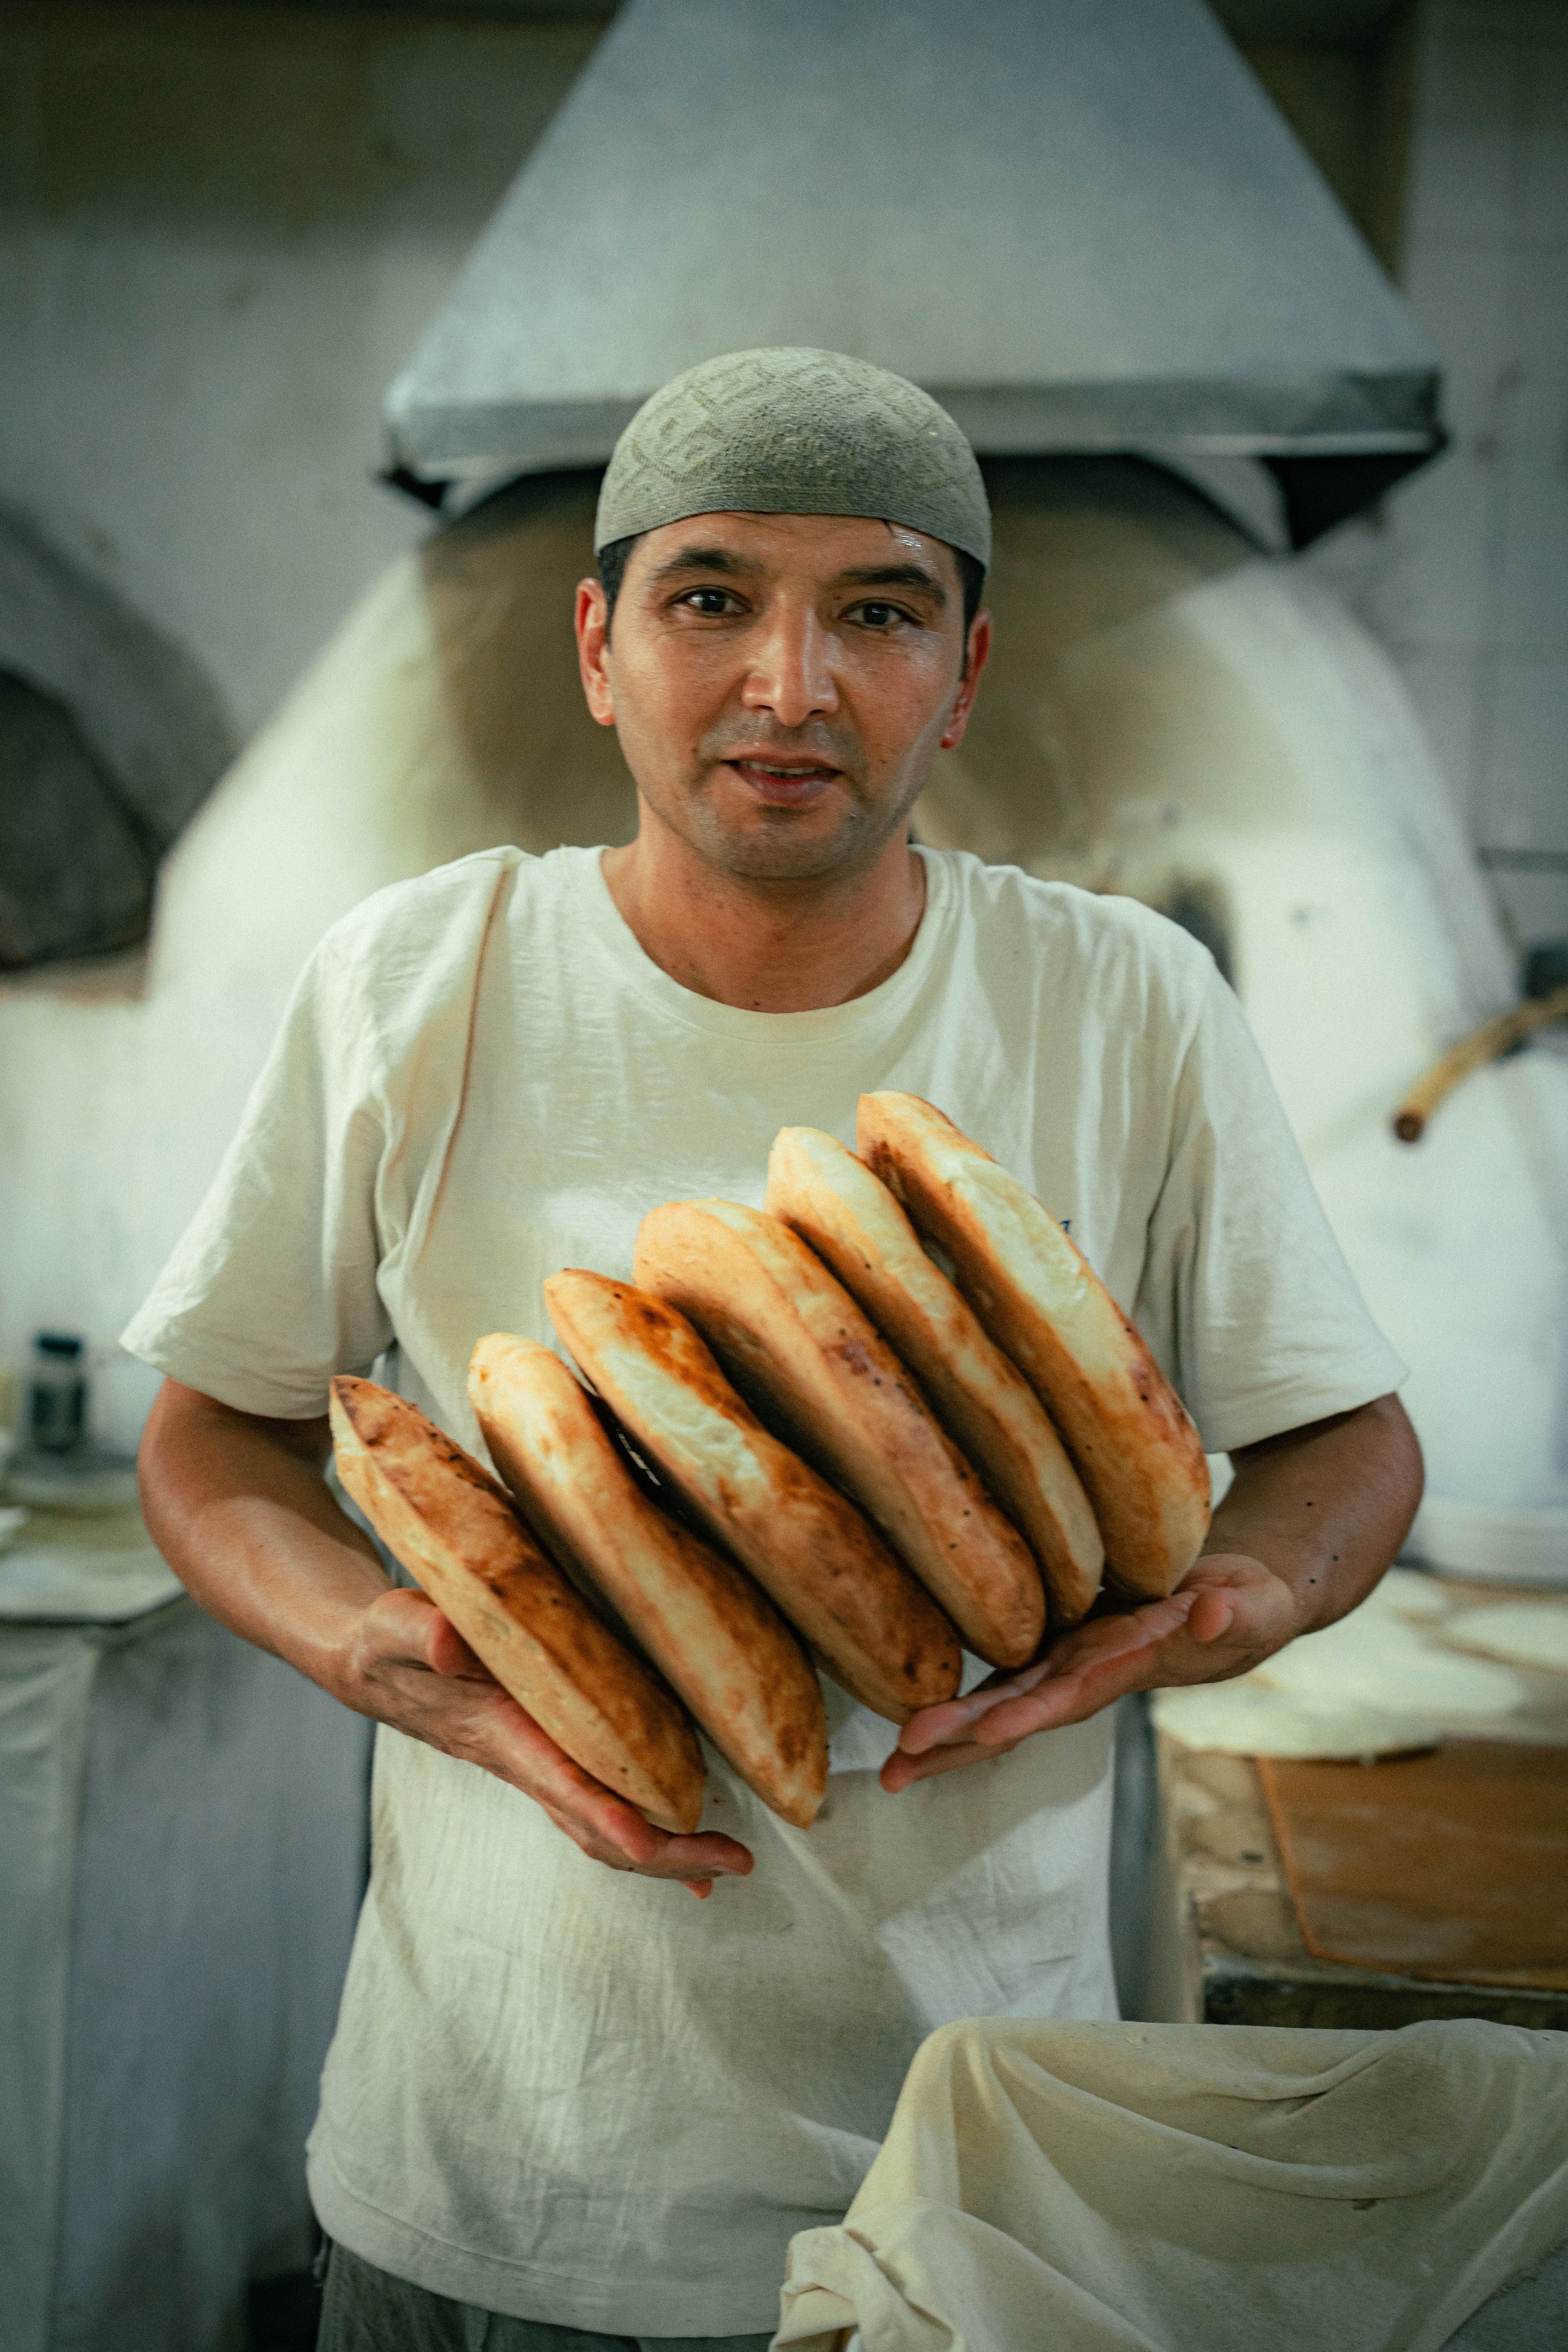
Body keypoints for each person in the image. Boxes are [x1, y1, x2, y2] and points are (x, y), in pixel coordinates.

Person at [127, 347, 1422, 2350]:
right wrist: (363, 1636)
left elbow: (1351, 1445)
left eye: (880, 613)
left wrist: (1258, 1583)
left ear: (968, 674)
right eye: (712, 599)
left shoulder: (1125, 1002)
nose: (789, 685)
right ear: (598, 645)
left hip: (959, 2196)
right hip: (486, 2178)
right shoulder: (421, 978)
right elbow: (214, 1439)